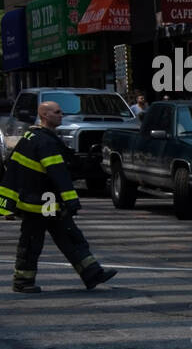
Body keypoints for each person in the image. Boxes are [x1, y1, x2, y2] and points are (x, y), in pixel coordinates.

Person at [0, 101, 118, 293]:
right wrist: (72, 200)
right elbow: (58, 173)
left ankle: (91, 273)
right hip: (40, 202)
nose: (61, 115)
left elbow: (13, 171)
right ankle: (22, 281)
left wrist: (8, 205)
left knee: (68, 235)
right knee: (33, 241)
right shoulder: (45, 142)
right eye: (56, 112)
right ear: (44, 115)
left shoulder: (33, 137)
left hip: (44, 201)